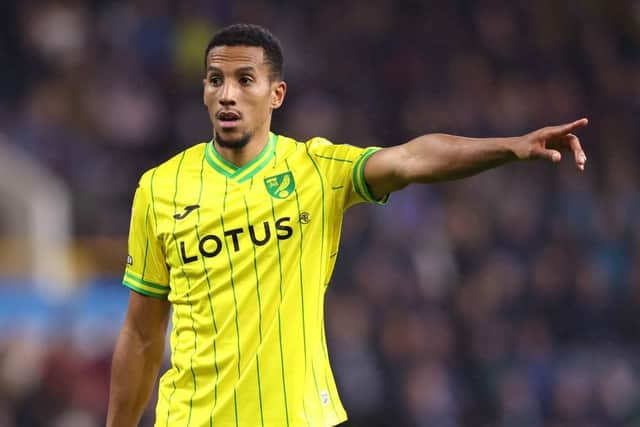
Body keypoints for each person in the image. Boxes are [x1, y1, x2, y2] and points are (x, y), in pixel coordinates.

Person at [106, 23, 588, 427]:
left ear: (276, 94)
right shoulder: (160, 188)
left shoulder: (316, 169)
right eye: (215, 80)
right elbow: (143, 333)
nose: (227, 94)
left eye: (244, 79)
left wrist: (511, 146)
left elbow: (413, 159)